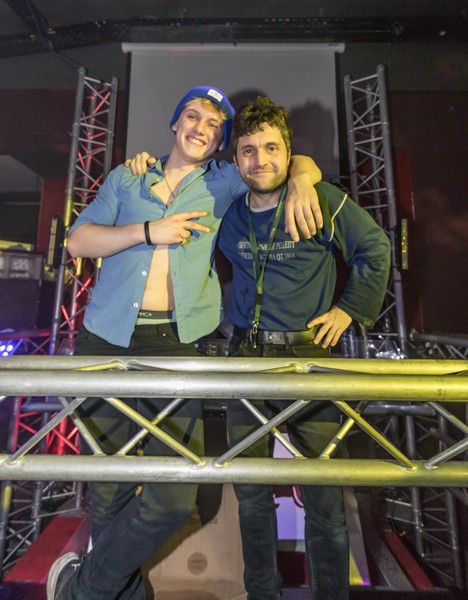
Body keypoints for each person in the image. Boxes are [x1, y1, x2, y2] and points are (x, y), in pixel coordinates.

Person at [46, 85, 324, 600]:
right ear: (176, 123)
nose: (202, 128)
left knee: (173, 498)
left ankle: (80, 589)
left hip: (173, 345)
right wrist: (147, 231)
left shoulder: (223, 182)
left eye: (214, 125)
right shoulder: (128, 177)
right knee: (107, 493)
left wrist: (305, 178)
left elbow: (281, 162)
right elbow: (78, 241)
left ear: (220, 141)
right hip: (104, 340)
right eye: (193, 116)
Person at [217, 97, 391, 600]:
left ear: (288, 152)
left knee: (324, 499)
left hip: (308, 361)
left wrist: (349, 310)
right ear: (236, 159)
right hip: (245, 361)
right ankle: (262, 593)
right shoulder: (227, 213)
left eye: (272, 148)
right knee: (251, 495)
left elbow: (375, 249)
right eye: (248, 150)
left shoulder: (320, 199)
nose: (260, 160)